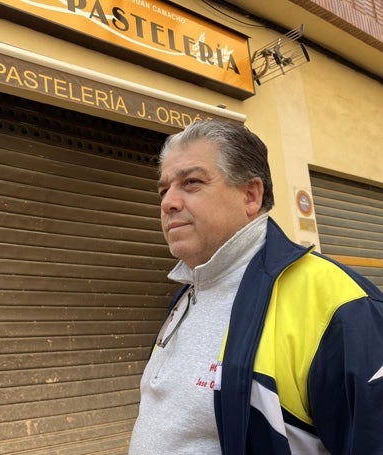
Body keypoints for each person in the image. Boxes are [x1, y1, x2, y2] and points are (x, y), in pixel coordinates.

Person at [128, 120, 383, 455]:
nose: (168, 203)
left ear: (250, 195)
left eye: (191, 183)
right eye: (163, 190)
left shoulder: (341, 305)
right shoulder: (190, 291)